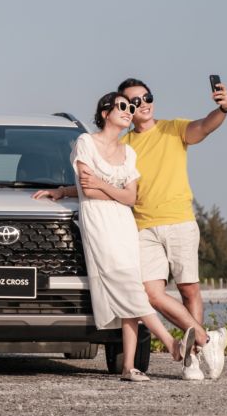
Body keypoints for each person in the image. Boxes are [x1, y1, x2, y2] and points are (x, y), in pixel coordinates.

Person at [35, 77, 227, 380]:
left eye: (146, 98)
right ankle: (202, 341)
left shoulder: (172, 129)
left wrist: (223, 109)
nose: (140, 105)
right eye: (131, 102)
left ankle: (193, 354)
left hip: (178, 219)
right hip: (139, 226)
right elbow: (98, 180)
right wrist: (63, 191)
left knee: (188, 289)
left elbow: (205, 126)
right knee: (149, 293)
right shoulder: (123, 145)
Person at [71, 92, 195, 382]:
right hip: (99, 222)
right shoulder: (86, 142)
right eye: (123, 106)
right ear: (105, 113)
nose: (130, 111)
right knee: (128, 286)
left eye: (132, 107)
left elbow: (131, 198)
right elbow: (87, 191)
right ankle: (171, 344)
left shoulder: (129, 152)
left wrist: (102, 183)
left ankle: (128, 367)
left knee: (131, 287)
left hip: (124, 224)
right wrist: (111, 190)